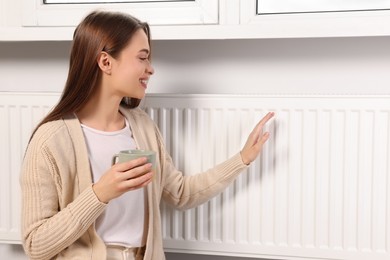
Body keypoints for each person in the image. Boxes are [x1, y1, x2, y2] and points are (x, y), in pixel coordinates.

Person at [20, 10, 274, 260]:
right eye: (142, 58)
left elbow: (181, 192)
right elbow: (36, 245)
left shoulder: (142, 127)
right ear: (105, 62)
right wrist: (99, 194)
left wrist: (242, 158)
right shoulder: (50, 140)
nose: (150, 69)